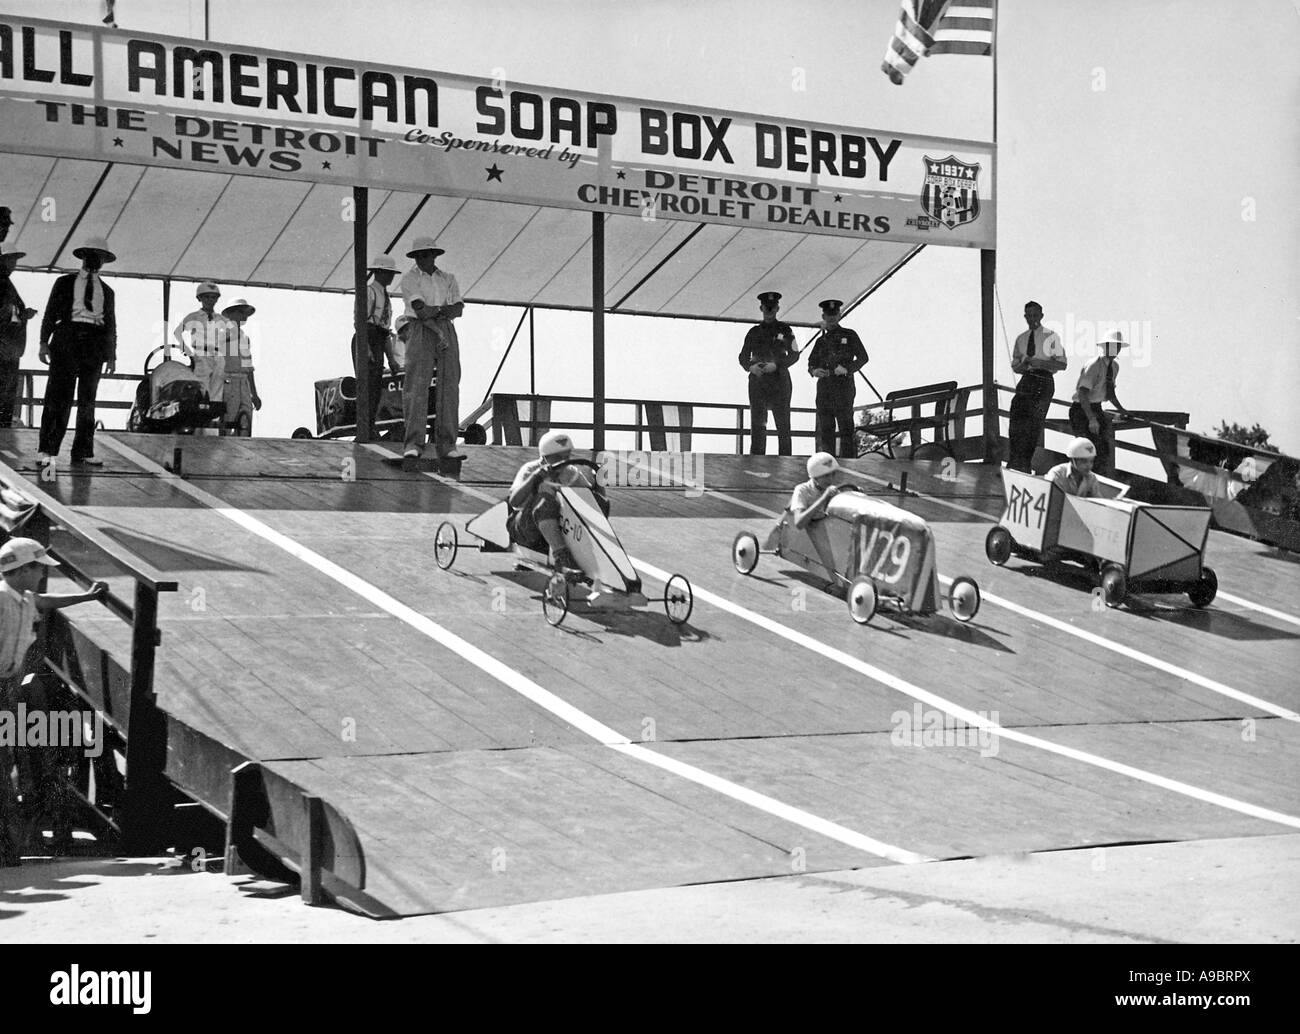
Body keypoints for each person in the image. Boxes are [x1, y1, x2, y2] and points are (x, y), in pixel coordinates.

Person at [0, 537, 107, 865]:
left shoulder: (22, 597)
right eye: (38, 569)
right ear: (23, 570)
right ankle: (8, 848)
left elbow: (45, 601)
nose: (41, 576)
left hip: (6, 686)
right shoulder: (3, 600)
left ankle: (10, 847)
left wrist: (86, 596)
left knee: (6, 765)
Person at [36, 236, 117, 469]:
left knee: (87, 401)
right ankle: (47, 449)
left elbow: (110, 323)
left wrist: (111, 355)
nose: (95, 261)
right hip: (67, 338)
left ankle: (83, 451)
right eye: (91, 256)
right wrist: (43, 341)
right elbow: (50, 313)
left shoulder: (108, 291)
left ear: (103, 261)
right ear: (83, 257)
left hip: (94, 343)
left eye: (99, 258)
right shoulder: (64, 282)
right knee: (58, 397)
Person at [399, 237, 464, 462]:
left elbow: (458, 310)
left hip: (446, 328)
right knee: (417, 384)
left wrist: (436, 310)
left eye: (426, 254)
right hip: (420, 329)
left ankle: (447, 444)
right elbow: (421, 311)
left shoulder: (449, 278)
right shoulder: (409, 279)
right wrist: (442, 310)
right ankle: (414, 443)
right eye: (418, 255)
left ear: (434, 255)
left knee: (450, 385)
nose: (422, 259)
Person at [507, 430, 608, 574]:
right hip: (525, 528)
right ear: (545, 458)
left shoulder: (571, 473)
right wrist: (535, 478)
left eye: (567, 456)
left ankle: (591, 556)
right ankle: (562, 555)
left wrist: (599, 484)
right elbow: (514, 501)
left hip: (559, 527)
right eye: (558, 457)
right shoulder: (530, 469)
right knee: (545, 502)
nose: (565, 461)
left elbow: (593, 504)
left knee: (587, 503)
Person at [1006, 300, 1067, 472]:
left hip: (1044, 380)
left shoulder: (1050, 337)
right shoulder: (1021, 339)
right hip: (1027, 378)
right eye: (1029, 316)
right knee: (1016, 415)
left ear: (1041, 316)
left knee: (1033, 423)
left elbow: (1062, 364)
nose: (1032, 319)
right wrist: (1023, 365)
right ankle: (1015, 461)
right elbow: (1015, 364)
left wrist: (1038, 362)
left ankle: (1025, 463)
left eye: (1035, 315)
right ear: (1025, 317)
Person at [806, 299, 868, 458]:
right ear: (823, 316)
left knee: (846, 428)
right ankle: (828, 464)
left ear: (840, 315)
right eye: (828, 315)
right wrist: (814, 371)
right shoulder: (821, 341)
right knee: (826, 430)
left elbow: (863, 358)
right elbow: (811, 362)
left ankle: (849, 464)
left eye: (834, 314)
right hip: (825, 388)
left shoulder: (850, 335)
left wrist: (847, 369)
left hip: (843, 387)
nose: (831, 318)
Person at [738, 291, 798, 455]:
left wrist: (776, 365)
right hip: (758, 381)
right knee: (758, 426)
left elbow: (794, 355)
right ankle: (757, 463)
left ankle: (785, 463)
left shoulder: (786, 330)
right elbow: (743, 357)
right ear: (761, 308)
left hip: (779, 381)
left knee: (783, 425)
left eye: (772, 308)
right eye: (766, 308)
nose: (769, 311)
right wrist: (751, 367)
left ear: (777, 308)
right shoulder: (753, 332)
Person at [354, 254, 403, 439]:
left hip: (378, 338)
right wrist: (364, 346)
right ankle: (364, 428)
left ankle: (369, 426)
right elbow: (361, 322)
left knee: (375, 385)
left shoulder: (384, 295)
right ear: (380, 272)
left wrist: (391, 359)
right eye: (389, 273)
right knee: (366, 384)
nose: (391, 277)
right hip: (366, 337)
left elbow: (384, 331)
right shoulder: (369, 291)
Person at [1069, 330, 1130, 477]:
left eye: (1118, 346)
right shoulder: (1094, 364)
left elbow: (1109, 392)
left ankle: (1096, 481)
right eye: (1113, 346)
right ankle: (1081, 480)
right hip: (1082, 409)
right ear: (1106, 347)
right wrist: (1091, 419)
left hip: (1096, 408)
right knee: (1086, 448)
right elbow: (1083, 393)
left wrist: (1122, 410)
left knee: (1103, 449)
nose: (1116, 349)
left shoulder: (1114, 367)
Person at [788, 452, 849, 591]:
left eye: (833, 474)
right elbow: (799, 523)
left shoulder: (833, 491)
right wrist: (824, 498)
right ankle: (839, 581)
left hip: (827, 526)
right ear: (815, 477)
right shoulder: (802, 490)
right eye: (826, 475)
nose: (831, 479)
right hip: (809, 528)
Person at [172, 281, 229, 417]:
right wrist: (185, 348)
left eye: (213, 297)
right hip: (201, 352)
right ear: (200, 299)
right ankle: (200, 408)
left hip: (217, 353)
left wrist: (222, 342)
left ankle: (213, 411)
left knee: (218, 380)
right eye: (207, 297)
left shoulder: (221, 319)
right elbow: (177, 332)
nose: (210, 300)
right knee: (202, 382)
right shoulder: (194, 317)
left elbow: (231, 334)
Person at [0, 247, 37, 428]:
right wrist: (23, 316)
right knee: (5, 391)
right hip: (5, 349)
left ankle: (4, 425)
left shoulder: (7, 284)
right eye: (11, 261)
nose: (14, 265)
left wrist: (23, 315)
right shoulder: (4, 284)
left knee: (7, 392)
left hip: (10, 349)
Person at [218, 299, 262, 436]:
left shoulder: (244, 338)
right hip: (228, 380)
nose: (245, 316)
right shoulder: (220, 333)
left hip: (243, 383)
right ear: (231, 313)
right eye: (241, 312)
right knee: (228, 419)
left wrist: (254, 394)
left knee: (245, 422)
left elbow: (248, 367)